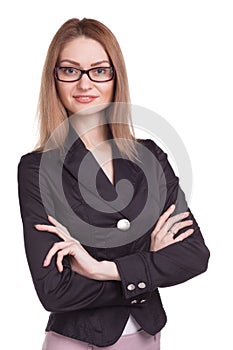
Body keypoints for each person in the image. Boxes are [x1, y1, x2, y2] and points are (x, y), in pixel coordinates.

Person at [17, 18, 210, 350]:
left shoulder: (150, 156)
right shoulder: (37, 168)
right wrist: (147, 262)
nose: (84, 84)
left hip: (147, 336)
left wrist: (100, 268)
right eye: (70, 70)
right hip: (75, 340)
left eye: (99, 70)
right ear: (54, 79)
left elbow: (194, 255)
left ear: (115, 77)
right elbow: (54, 290)